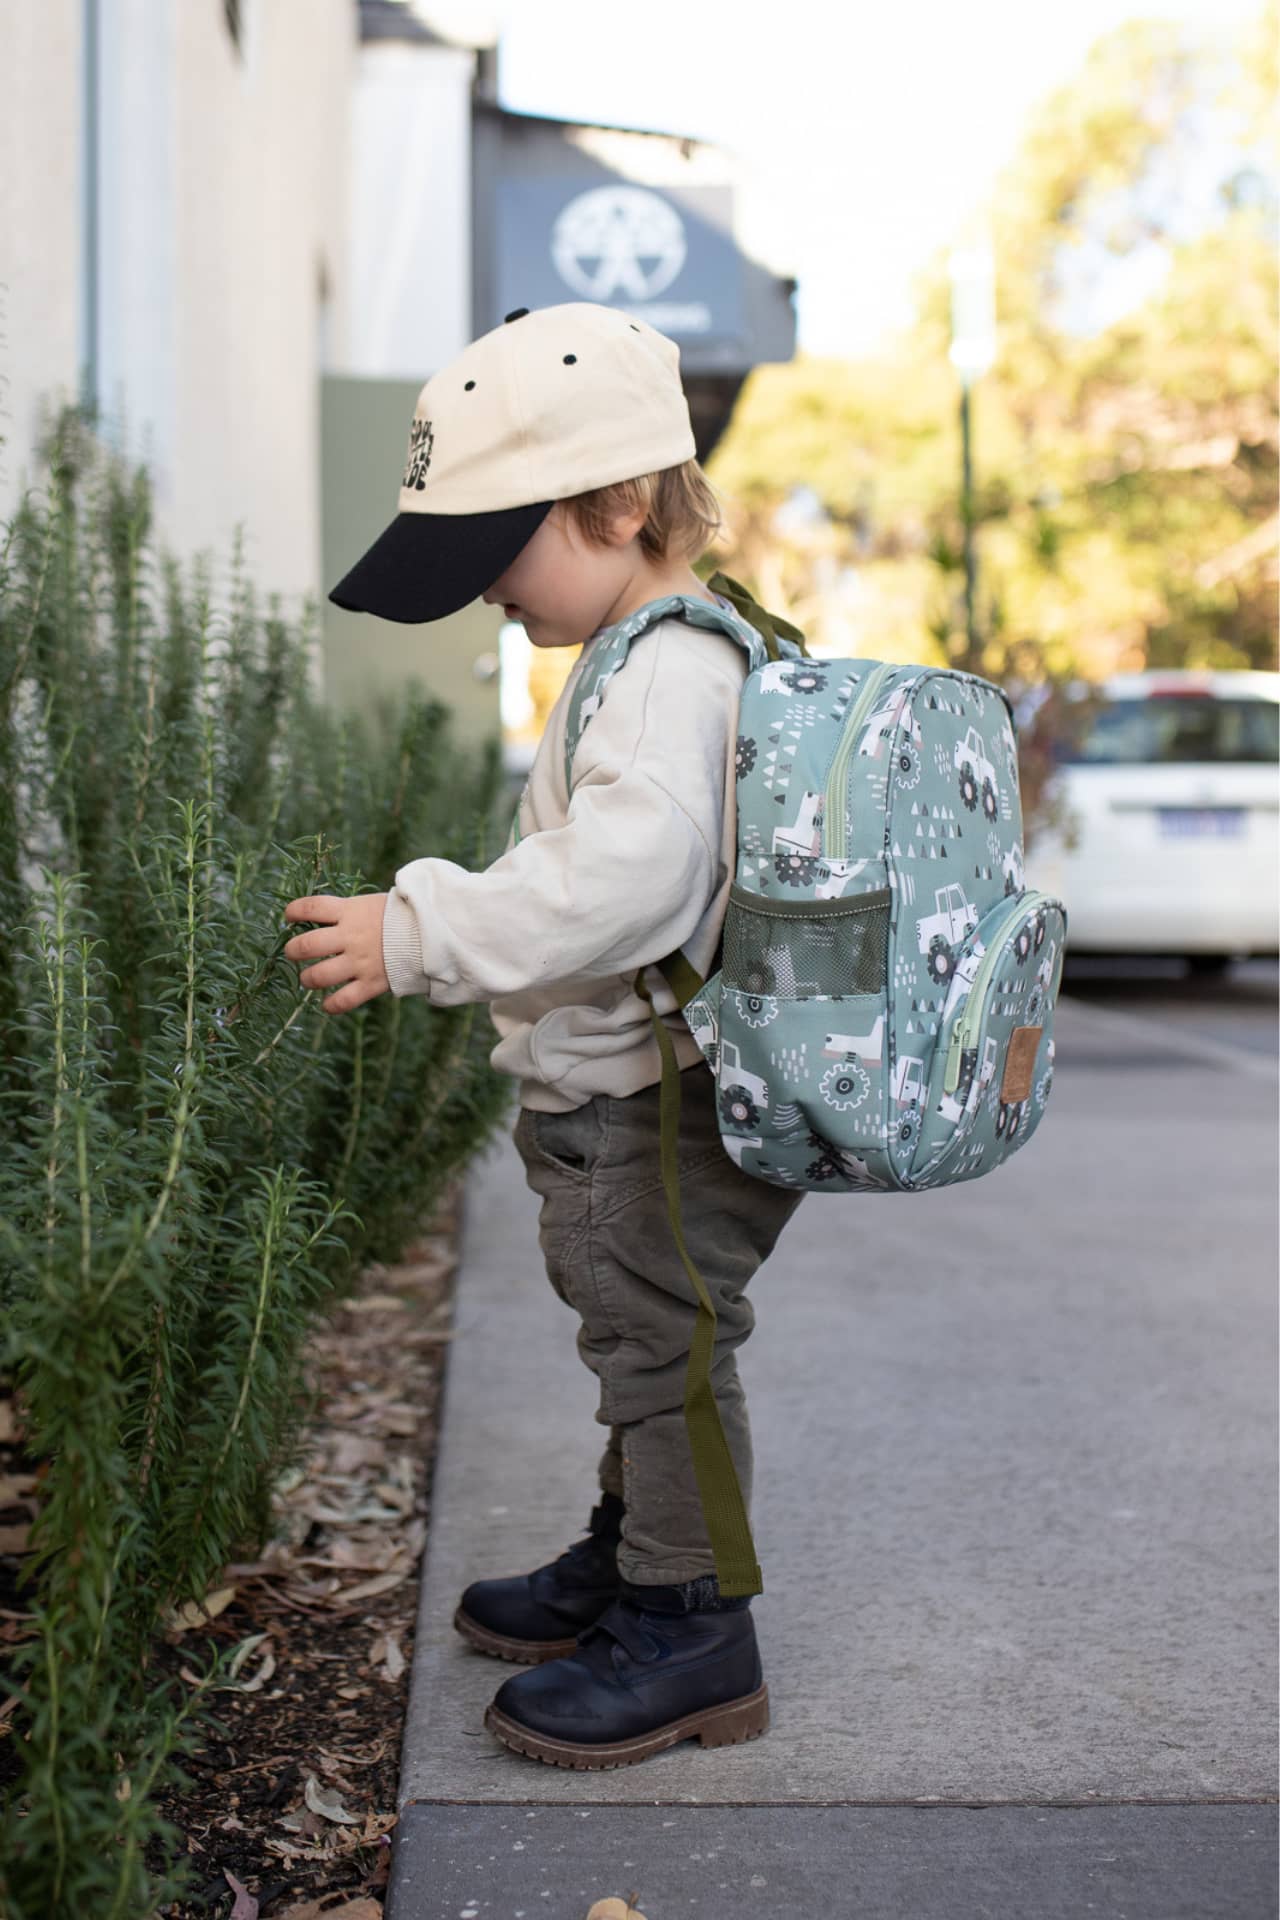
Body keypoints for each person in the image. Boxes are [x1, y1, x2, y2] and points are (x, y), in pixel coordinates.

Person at [283, 301, 806, 1770]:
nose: (482, 592)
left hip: (658, 1107)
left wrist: (422, 928)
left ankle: (696, 1629)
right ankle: (636, 1551)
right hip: (627, 1094)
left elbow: (624, 883)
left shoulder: (670, 673)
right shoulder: (642, 655)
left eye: (501, 546)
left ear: (622, 503)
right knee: (639, 1347)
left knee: (667, 1360)